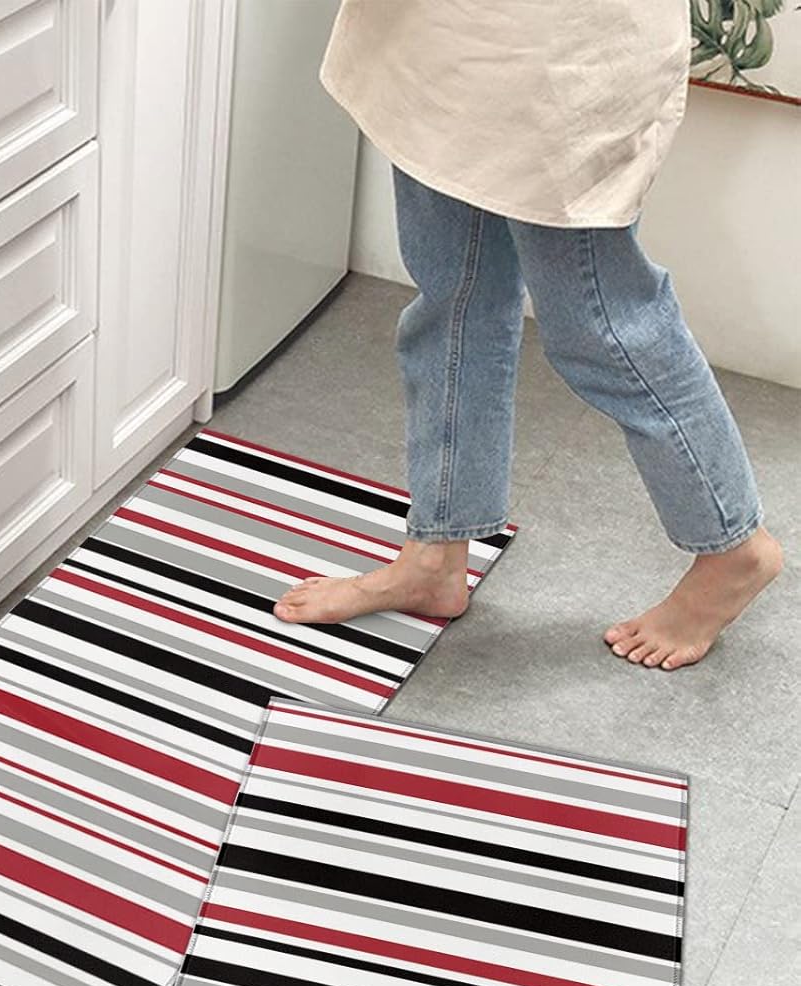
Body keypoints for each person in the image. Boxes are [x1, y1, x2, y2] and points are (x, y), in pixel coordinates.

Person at [274, 0, 782, 671]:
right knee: (452, 295)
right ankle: (436, 552)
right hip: (442, 30)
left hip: (563, 43)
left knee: (601, 323)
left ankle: (733, 547)